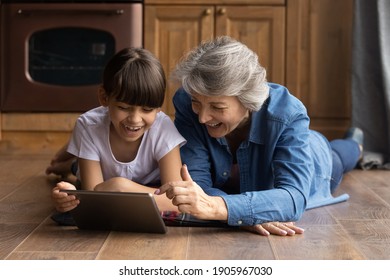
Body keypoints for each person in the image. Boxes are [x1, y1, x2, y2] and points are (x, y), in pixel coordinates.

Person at [155, 36, 363, 236]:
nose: (202, 117)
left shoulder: (288, 113)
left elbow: (293, 198)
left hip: (315, 156)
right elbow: (197, 186)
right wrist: (245, 215)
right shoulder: (186, 101)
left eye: (217, 107)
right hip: (245, 187)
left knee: (338, 158)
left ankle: (356, 144)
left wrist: (225, 210)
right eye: (197, 103)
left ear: (247, 100)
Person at [50, 47, 186, 214]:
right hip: (101, 171)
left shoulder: (164, 129)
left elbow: (177, 202)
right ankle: (62, 164)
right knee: (69, 167)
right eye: (124, 107)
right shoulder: (89, 126)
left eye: (147, 109)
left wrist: (121, 186)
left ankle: (69, 161)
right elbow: (95, 195)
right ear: (104, 98)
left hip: (139, 183)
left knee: (76, 165)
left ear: (158, 108)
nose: (135, 119)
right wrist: (67, 198)